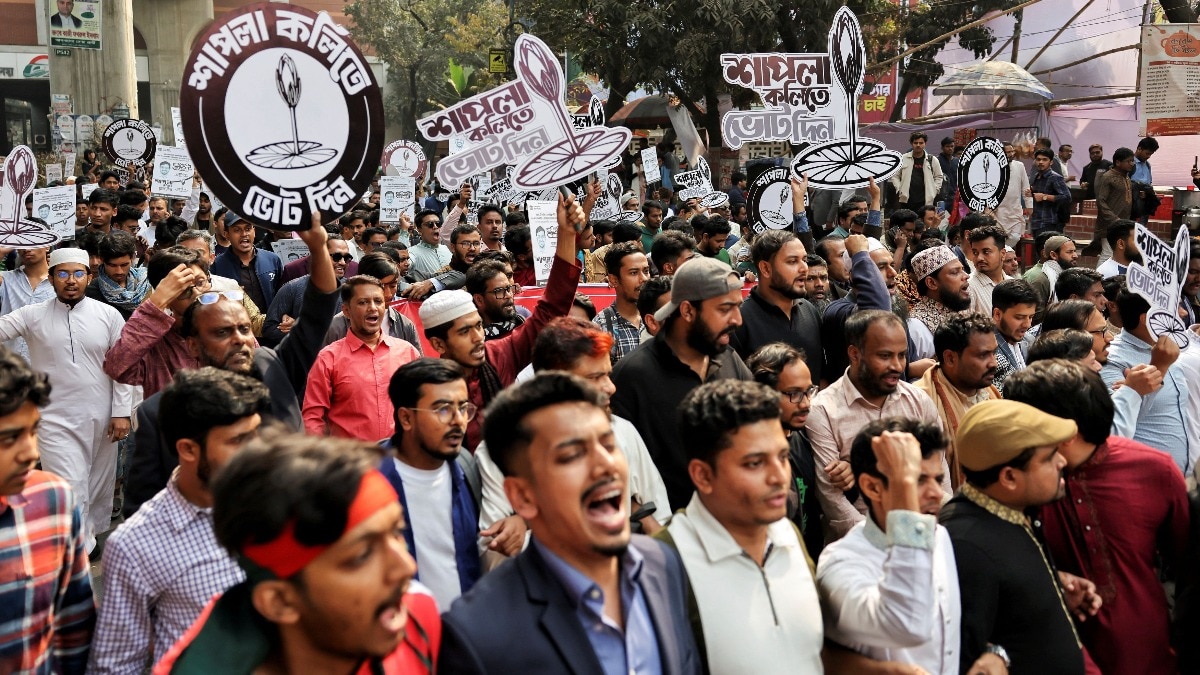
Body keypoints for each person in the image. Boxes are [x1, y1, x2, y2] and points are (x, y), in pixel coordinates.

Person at [439, 373, 701, 674]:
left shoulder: (663, 564)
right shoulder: (476, 636)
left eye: (609, 444)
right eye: (573, 455)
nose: (606, 465)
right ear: (522, 497)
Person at [155, 431, 440, 673]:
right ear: (280, 602)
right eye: (362, 555)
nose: (406, 567)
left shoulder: (416, 615)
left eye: (396, 532)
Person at [121, 216, 338, 516]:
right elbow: (140, 513)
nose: (239, 340)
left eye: (244, 329)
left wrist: (318, 247)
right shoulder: (159, 414)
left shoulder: (273, 368)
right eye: (222, 333)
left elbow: (318, 311)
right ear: (193, 346)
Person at [1003, 359, 1189, 675]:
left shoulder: (1154, 470)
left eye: (1025, 423)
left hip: (1150, 656)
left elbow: (1186, 567)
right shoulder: (1012, 482)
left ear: (1065, 432)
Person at [88, 368, 268, 673]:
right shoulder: (136, 544)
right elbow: (116, 664)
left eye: (256, 435)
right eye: (239, 441)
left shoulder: (277, 503)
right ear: (188, 449)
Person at [659, 379, 823, 672]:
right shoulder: (663, 562)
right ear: (703, 475)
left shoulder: (788, 533)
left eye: (783, 456)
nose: (779, 477)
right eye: (754, 463)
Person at [818, 419, 1004, 675]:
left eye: (937, 480)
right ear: (872, 487)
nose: (936, 494)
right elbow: (907, 624)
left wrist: (995, 654)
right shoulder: (840, 564)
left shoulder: (938, 536)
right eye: (916, 480)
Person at [941, 399, 1100, 674]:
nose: (1062, 461)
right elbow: (965, 655)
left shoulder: (1013, 510)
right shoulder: (966, 546)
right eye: (1049, 457)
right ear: (1009, 478)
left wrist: (1049, 592)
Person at [418, 194, 584, 451]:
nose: (477, 337)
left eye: (476, 327)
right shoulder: (425, 388)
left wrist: (565, 234)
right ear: (439, 343)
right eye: (464, 331)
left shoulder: (497, 355)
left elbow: (551, 308)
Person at [0, 247, 134, 550]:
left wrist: (121, 411)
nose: (70, 280)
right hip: (52, 418)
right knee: (68, 483)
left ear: (89, 276)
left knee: (96, 483)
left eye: (77, 273)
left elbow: (124, 365)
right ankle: (78, 547)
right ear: (51, 278)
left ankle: (85, 534)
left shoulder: (109, 315)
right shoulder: (32, 315)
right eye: (62, 274)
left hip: (103, 417)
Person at [611, 256, 754, 509]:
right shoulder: (632, 376)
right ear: (687, 310)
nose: (737, 320)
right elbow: (617, 471)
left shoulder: (730, 359)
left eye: (738, 307)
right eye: (724, 309)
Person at [808, 310, 947, 539]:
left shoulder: (919, 401)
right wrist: (887, 541)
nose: (897, 366)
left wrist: (936, 530)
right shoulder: (823, 410)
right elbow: (832, 499)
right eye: (885, 356)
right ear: (854, 354)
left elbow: (940, 476)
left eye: (902, 355)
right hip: (859, 548)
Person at [0, 347, 95, 674]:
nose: (31, 453)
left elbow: (75, 625)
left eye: (33, 430)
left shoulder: (53, 501)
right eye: (8, 439)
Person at [378, 358, 484, 612]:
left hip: (464, 633)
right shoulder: (370, 481)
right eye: (443, 409)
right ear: (406, 418)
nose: (458, 421)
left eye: (463, 408)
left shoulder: (466, 467)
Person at [303, 276, 421, 440]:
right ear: (346, 311)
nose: (373, 308)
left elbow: (421, 405)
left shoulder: (407, 353)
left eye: (378, 301)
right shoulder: (327, 359)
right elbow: (313, 417)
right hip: (351, 461)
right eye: (363, 302)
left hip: (398, 458)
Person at [746, 343, 830, 558]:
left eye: (809, 391)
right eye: (793, 394)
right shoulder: (752, 455)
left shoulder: (806, 437)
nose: (805, 403)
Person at [1102, 287, 1194, 474]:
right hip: (1143, 479)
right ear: (1147, 319)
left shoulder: (1167, 349)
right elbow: (1118, 423)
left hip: (1181, 476)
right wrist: (1158, 367)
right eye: (1174, 310)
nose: (1183, 313)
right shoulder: (1112, 359)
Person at [914, 312, 1001, 488]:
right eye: (983, 355)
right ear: (950, 358)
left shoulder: (990, 392)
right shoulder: (921, 402)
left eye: (994, 353)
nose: (994, 364)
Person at [731, 230, 828, 383]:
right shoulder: (738, 321)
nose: (804, 268)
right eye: (792, 261)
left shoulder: (809, 310)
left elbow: (821, 376)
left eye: (804, 260)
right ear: (765, 269)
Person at [262, 237, 353, 347]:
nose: (343, 262)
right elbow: (269, 329)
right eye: (337, 257)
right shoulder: (292, 288)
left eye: (347, 257)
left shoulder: (353, 291)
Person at [209, 213, 283, 314]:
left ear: (254, 231)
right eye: (237, 230)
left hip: (269, 326)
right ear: (227, 234)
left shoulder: (272, 260)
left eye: (248, 229)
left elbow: (282, 297)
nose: (244, 234)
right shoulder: (217, 266)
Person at [907, 245, 971, 361]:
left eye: (962, 270)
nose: (966, 276)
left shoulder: (958, 313)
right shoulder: (916, 327)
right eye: (955, 272)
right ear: (931, 283)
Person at [594, 242, 651, 364]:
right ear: (614, 280)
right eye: (634, 273)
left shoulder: (658, 318)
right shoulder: (602, 327)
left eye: (646, 271)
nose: (644, 279)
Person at [0, 246, 52, 362]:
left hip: (45, 367)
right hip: (7, 365)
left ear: (47, 246)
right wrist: (2, 252)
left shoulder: (60, 283)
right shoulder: (6, 279)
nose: (27, 249)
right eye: (22, 244)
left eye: (33, 243)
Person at [990, 279, 1038, 392]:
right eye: (1019, 317)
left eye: (1030, 317)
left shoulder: (1030, 340)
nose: (1027, 324)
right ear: (997, 314)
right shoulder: (987, 350)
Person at [1089, 147, 1134, 263]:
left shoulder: (1126, 177)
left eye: (1132, 161)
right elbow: (1101, 201)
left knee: (1116, 254)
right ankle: (1099, 279)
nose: (1132, 164)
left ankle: (1110, 279)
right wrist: (1114, 219)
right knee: (1107, 254)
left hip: (1122, 224)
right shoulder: (1108, 177)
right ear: (1118, 162)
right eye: (1128, 161)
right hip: (1108, 224)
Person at [466, 259, 522, 341]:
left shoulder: (523, 319)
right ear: (479, 300)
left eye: (508, 288)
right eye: (499, 291)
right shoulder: (474, 343)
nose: (508, 295)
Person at [1026, 235, 1078, 323]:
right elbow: (1036, 317)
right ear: (1053, 255)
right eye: (1069, 252)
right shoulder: (1042, 280)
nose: (1075, 255)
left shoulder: (1066, 275)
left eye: (1075, 251)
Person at [891, 132, 944, 211]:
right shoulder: (903, 158)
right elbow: (895, 176)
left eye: (921, 143)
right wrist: (899, 189)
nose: (918, 145)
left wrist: (934, 190)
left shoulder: (932, 160)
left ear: (925, 143)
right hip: (907, 200)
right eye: (915, 143)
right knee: (908, 222)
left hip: (925, 200)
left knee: (923, 222)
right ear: (912, 144)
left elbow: (939, 176)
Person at [965, 223, 1010, 316]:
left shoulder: (1012, 283)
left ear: (1003, 254)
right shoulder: (968, 287)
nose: (979, 258)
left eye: (986, 252)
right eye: (975, 252)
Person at [995, 143, 1032, 246]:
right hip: (997, 212)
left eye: (1012, 151)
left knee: (1015, 237)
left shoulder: (1019, 166)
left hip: (1014, 210)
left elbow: (1026, 188)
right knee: (998, 241)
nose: (1011, 154)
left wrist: (1030, 206)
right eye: (1007, 152)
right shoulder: (992, 167)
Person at [1030, 148, 1072, 236]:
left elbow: (1067, 197)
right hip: (1036, 223)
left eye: (1044, 159)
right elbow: (1038, 195)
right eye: (1038, 159)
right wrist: (1031, 193)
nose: (1041, 162)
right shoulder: (1036, 176)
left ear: (1051, 162)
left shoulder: (1055, 177)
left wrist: (1045, 197)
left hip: (1050, 223)